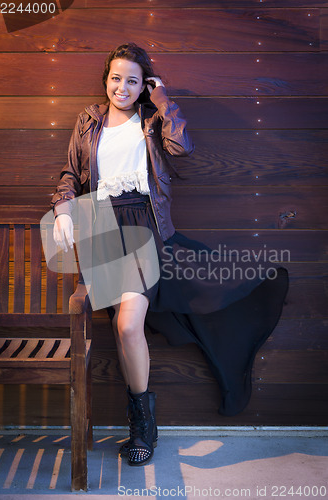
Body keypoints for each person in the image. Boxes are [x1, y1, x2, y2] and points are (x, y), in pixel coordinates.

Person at [51, 42, 289, 467]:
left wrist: (165, 103)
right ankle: (142, 420)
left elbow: (182, 149)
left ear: (144, 85)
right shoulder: (88, 120)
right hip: (101, 230)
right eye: (115, 78)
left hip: (143, 225)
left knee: (128, 327)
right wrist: (64, 206)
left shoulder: (151, 117)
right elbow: (72, 171)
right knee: (122, 332)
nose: (121, 87)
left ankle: (143, 426)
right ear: (106, 79)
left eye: (132, 80)